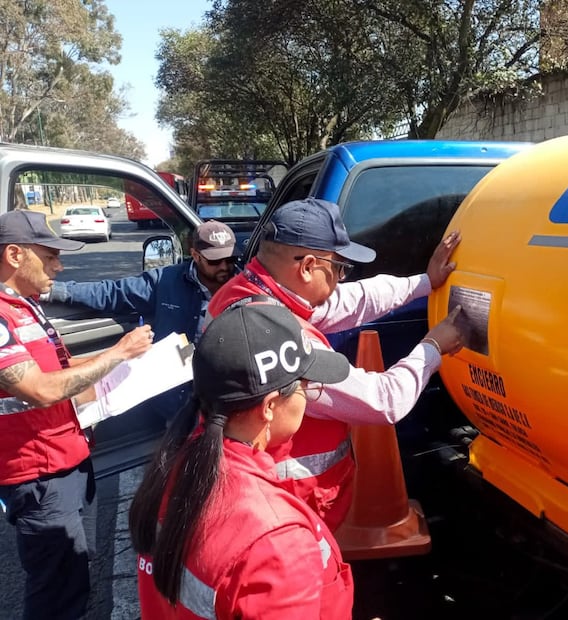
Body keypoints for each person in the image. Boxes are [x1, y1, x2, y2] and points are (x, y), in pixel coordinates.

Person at [207, 197, 464, 530]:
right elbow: (382, 400)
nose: (341, 280)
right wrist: (433, 347)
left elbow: (354, 299)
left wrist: (425, 283)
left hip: (276, 501)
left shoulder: (244, 295)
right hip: (289, 515)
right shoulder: (280, 342)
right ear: (307, 267)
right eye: (339, 268)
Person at [129, 303, 354, 619]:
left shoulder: (177, 463)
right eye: (305, 387)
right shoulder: (276, 544)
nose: (308, 396)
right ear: (270, 407)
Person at [0, 210, 154, 619]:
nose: (59, 266)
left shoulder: (21, 305)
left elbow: (55, 368)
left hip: (61, 462)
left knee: (70, 578)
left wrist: (125, 361)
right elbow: (40, 388)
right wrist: (118, 353)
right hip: (38, 474)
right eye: (49, 256)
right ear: (15, 255)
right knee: (57, 593)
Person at [43, 219, 239, 422]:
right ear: (196, 256)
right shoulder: (165, 282)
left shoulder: (243, 288)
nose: (225, 266)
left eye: (231, 259)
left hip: (223, 399)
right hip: (176, 400)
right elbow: (112, 293)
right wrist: (57, 291)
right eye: (215, 261)